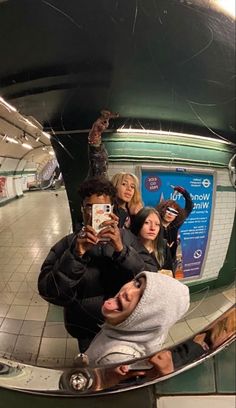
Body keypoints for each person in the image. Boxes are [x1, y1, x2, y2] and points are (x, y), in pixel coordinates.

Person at [38, 176, 157, 352]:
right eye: (89, 207)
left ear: (112, 210)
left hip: (122, 325)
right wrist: (76, 255)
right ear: (82, 209)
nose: (95, 214)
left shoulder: (126, 239)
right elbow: (49, 291)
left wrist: (122, 250)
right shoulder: (68, 244)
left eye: (102, 208)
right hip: (85, 327)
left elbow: (152, 275)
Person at [84, 271, 190, 366]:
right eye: (137, 284)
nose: (128, 293)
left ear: (151, 319)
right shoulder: (155, 329)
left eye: (142, 299)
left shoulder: (116, 358)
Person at [87, 110, 143, 227]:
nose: (129, 189)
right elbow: (99, 166)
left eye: (132, 187)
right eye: (124, 184)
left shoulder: (132, 211)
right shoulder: (108, 205)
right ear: (114, 186)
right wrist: (96, 135)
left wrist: (139, 216)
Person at [156, 185, 194, 263]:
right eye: (168, 210)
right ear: (162, 210)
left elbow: (189, 206)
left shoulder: (176, 225)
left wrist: (184, 192)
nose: (170, 214)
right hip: (156, 261)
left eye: (174, 212)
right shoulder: (155, 226)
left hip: (172, 260)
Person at [130, 207, 173, 274]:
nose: (153, 228)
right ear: (138, 223)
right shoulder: (128, 247)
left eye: (157, 224)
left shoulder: (163, 246)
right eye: (147, 222)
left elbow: (170, 274)